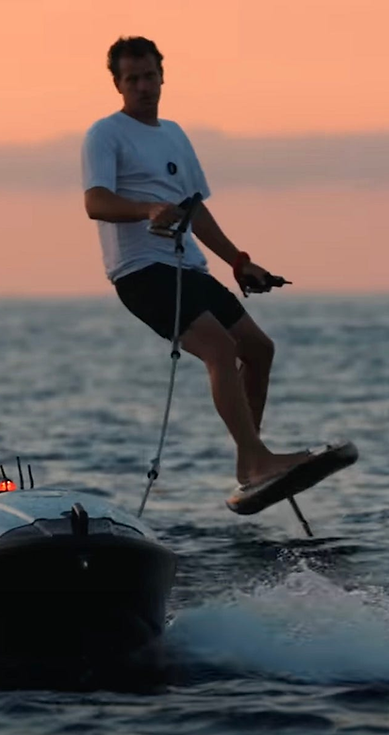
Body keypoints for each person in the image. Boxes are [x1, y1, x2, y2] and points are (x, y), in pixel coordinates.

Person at [81, 36, 311, 491]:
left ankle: (251, 462)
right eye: (133, 79)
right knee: (220, 350)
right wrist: (147, 210)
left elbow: (195, 209)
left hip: (189, 268)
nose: (144, 86)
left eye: (150, 76)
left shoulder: (175, 134)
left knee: (259, 350)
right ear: (118, 84)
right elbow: (96, 202)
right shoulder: (105, 134)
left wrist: (239, 260)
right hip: (141, 272)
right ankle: (256, 461)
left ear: (163, 75)